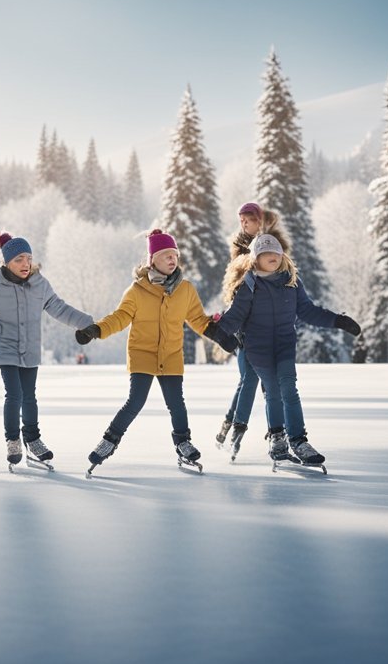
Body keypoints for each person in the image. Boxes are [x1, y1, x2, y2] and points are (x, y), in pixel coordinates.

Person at [75, 229, 236, 475]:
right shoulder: (137, 291)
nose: (173, 260)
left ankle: (183, 442)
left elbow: (198, 320)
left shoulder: (186, 290)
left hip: (171, 356)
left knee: (177, 404)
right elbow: (120, 317)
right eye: (166, 255)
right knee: (135, 402)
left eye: (175, 255)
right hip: (143, 354)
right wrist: (96, 330)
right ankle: (109, 440)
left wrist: (221, 337)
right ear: (152, 260)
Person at [216, 234, 361, 468]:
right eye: (264, 253)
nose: (271, 256)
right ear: (255, 259)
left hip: (284, 344)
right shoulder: (249, 285)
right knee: (273, 390)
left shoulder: (291, 281)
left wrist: (338, 321)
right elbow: (235, 316)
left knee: (289, 388)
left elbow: (308, 311)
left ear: (282, 255)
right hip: (258, 349)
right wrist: (217, 331)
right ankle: (277, 437)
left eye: (275, 252)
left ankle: (298, 440)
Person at [0, 231, 94, 469]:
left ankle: (32, 438)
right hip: (7, 349)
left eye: (28, 258)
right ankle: (13, 440)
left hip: (30, 350)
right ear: (6, 262)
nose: (25, 264)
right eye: (19, 259)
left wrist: (88, 322)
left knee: (29, 396)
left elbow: (60, 308)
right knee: (15, 394)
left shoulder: (39, 285)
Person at [215, 201, 291, 458]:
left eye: (249, 219)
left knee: (254, 381)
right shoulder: (240, 249)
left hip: (272, 325)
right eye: (241, 220)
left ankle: (235, 429)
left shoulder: (275, 245)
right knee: (249, 379)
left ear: (260, 221)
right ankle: (235, 430)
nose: (244, 224)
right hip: (246, 323)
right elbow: (237, 285)